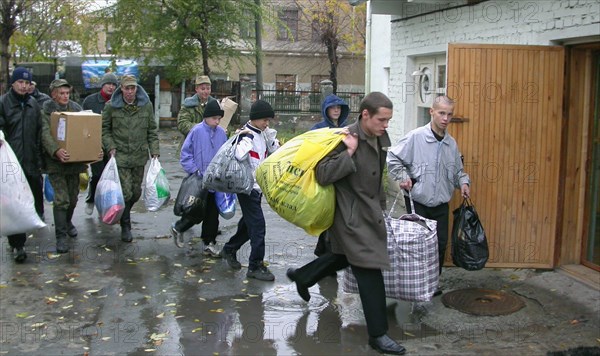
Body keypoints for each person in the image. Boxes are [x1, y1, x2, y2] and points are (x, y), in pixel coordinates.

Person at [286, 92, 406, 355]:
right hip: (349, 217)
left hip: (369, 212)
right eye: (382, 120)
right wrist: (349, 153)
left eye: (388, 120)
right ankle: (378, 334)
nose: (386, 125)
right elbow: (323, 174)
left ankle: (303, 276)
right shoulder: (344, 138)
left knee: (342, 256)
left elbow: (376, 177)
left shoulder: (378, 137)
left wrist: (382, 206)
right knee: (369, 267)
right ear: (365, 115)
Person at [386, 95, 470, 294]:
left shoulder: (451, 143)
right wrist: (403, 177)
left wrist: (464, 183)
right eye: (441, 113)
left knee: (439, 245)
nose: (445, 118)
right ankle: (414, 284)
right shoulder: (416, 137)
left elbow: (458, 170)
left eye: (449, 114)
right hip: (418, 201)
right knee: (417, 246)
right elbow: (393, 157)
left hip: (440, 204)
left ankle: (432, 285)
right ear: (431, 112)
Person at [219, 100, 280, 281]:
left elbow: (275, 149)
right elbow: (238, 155)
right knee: (258, 226)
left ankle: (229, 249)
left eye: (268, 120)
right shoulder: (247, 135)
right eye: (264, 120)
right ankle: (255, 266)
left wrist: (269, 135)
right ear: (254, 118)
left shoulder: (262, 133)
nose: (266, 123)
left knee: (248, 225)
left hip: (257, 186)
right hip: (246, 188)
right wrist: (245, 138)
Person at [40, 79, 97, 254]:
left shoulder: (76, 109)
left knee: (72, 199)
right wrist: (56, 151)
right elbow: (45, 134)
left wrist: (94, 151)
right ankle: (61, 236)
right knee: (62, 200)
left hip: (75, 163)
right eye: (61, 93)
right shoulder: (46, 111)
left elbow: (87, 132)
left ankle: (67, 222)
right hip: (56, 163)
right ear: (53, 94)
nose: (65, 96)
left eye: (67, 93)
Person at [102, 74, 160, 242]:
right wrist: (110, 146)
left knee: (135, 193)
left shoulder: (145, 106)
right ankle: (126, 226)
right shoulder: (112, 106)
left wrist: (154, 150)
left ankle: (123, 214)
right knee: (126, 193)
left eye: (132, 88)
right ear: (121, 89)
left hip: (139, 155)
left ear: (136, 89)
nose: (129, 91)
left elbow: (152, 130)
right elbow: (104, 129)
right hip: (120, 155)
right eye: (127, 88)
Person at [170, 99, 228, 256]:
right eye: (214, 118)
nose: (217, 122)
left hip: (215, 182)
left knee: (212, 214)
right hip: (198, 180)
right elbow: (185, 154)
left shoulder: (222, 133)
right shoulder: (196, 131)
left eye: (219, 119)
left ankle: (209, 242)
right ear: (206, 117)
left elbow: (225, 154)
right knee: (196, 211)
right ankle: (179, 227)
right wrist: (195, 170)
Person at [0, 67, 43, 262]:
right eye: (20, 82)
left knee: (30, 201)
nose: (24, 86)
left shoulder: (34, 105)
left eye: (27, 83)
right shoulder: (3, 103)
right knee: (14, 203)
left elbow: (39, 134)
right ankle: (18, 245)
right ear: (13, 83)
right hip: (11, 163)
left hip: (31, 162)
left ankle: (20, 239)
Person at [310, 93, 350, 258]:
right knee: (328, 215)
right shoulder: (318, 129)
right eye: (332, 107)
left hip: (341, 177)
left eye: (339, 107)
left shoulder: (347, 128)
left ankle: (323, 252)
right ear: (326, 110)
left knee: (334, 217)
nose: (336, 110)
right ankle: (326, 255)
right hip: (324, 176)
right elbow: (310, 149)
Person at [82, 72, 119, 216]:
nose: (111, 87)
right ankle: (91, 199)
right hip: (95, 144)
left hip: (113, 145)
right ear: (102, 85)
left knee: (111, 177)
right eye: (108, 84)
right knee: (97, 175)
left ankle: (106, 204)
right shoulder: (90, 101)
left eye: (113, 85)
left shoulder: (118, 101)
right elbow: (84, 122)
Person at [176, 75, 215, 153]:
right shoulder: (188, 105)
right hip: (191, 146)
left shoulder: (215, 104)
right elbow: (182, 124)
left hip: (210, 147)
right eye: (203, 89)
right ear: (196, 89)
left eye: (208, 88)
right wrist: (202, 129)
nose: (206, 91)